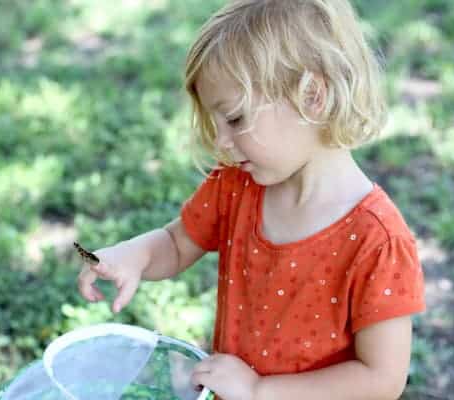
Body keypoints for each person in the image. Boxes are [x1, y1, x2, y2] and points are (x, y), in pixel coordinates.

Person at [77, 0, 426, 398]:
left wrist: (261, 390)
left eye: (236, 119)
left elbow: (381, 378)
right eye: (216, 123)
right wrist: (132, 257)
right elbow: (177, 243)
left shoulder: (377, 241)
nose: (221, 142)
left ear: (313, 96)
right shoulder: (236, 187)